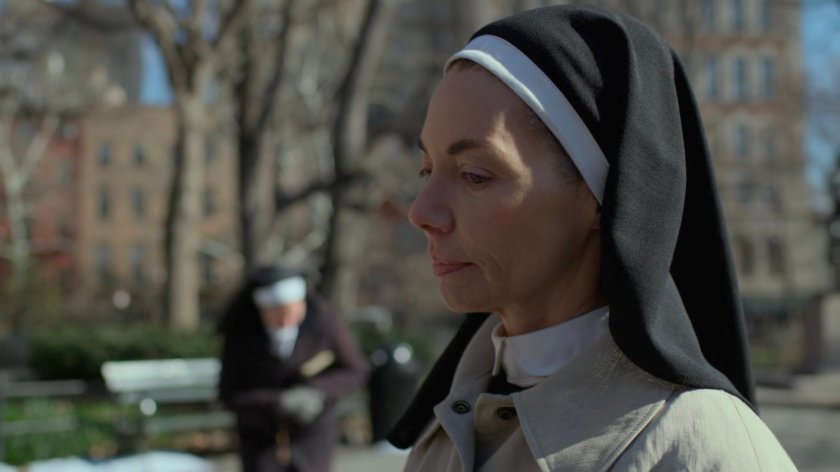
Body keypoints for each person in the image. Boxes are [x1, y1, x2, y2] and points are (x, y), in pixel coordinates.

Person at [388, 5, 796, 471]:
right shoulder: (445, 430)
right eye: (427, 170)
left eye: (475, 175)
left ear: (603, 197)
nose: (421, 213)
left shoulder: (695, 447)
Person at [218, 265, 368, 472]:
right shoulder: (241, 334)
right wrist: (278, 402)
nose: (286, 320)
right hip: (261, 435)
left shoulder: (323, 321)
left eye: (292, 311)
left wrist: (317, 390)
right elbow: (229, 393)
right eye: (277, 314)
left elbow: (355, 370)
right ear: (262, 310)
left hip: (314, 431)